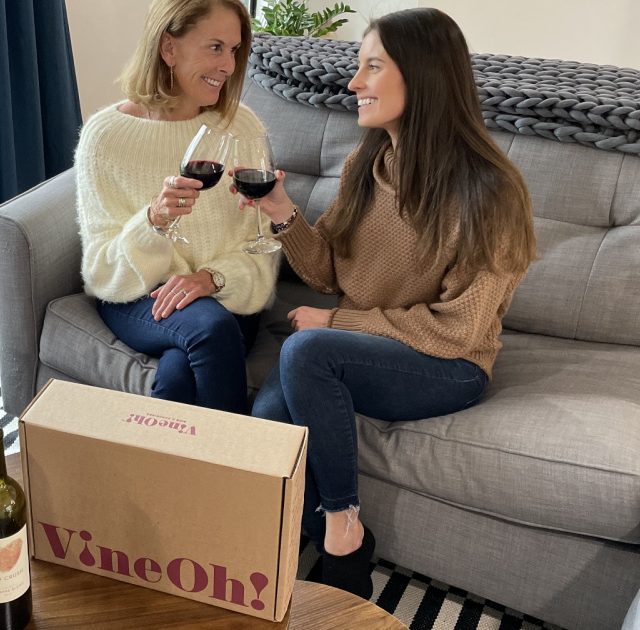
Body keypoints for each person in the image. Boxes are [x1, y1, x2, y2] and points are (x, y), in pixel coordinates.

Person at [246, 8, 538, 598]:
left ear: (424, 76)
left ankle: (342, 534)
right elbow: (328, 268)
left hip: (447, 366)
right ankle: (336, 537)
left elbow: (463, 329)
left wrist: (341, 322)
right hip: (358, 350)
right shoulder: (367, 164)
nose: (354, 83)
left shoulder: (490, 191)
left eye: (371, 66)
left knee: (304, 354)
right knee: (267, 426)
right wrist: (280, 211)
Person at [75, 0, 278, 414]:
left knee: (177, 374)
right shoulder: (105, 138)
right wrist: (153, 221)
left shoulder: (242, 128)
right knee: (209, 328)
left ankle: (169, 477)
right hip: (139, 299)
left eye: (235, 50)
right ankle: (242, 472)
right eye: (216, 47)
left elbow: (261, 246)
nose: (229, 65)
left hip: (227, 296)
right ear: (169, 48)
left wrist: (210, 278)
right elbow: (100, 266)